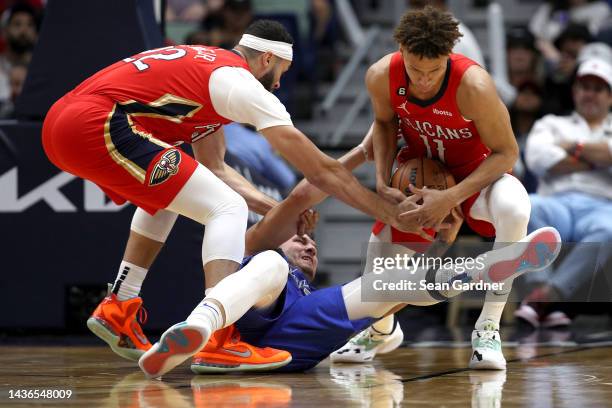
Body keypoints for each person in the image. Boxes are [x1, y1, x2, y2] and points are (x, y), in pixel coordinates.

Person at [42, 19, 422, 378]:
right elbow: (322, 172)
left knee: (169, 197)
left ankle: (120, 305)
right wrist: (388, 211)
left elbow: (217, 168)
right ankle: (219, 337)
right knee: (227, 207)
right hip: (99, 122)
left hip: (64, 122)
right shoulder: (240, 84)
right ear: (268, 59)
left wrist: (275, 210)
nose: (277, 85)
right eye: (281, 74)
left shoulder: (207, 73)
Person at [185, 137, 561, 373]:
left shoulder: (306, 295)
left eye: (314, 247)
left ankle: (488, 268)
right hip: (245, 320)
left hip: (292, 344)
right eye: (301, 241)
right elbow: (304, 194)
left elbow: (399, 294)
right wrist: (362, 153)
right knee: (270, 265)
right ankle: (202, 326)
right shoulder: (260, 247)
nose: (310, 245)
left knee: (381, 286)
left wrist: (441, 243)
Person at [338, 6, 533, 370]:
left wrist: (451, 197)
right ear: (401, 51)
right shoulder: (381, 75)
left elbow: (507, 153)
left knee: (516, 209)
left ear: (450, 56)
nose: (424, 80)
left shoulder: (474, 86)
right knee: (377, 276)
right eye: (415, 70)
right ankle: (381, 332)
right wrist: (382, 180)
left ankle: (488, 329)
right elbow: (383, 124)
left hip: (476, 178)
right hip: (420, 181)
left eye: (434, 70)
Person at [517, 57, 612, 328]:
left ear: (610, 97)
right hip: (556, 203)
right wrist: (601, 158)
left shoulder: (561, 133)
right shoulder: (551, 122)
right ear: (575, 92)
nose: (589, 93)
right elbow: (538, 159)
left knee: (610, 229)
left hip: (603, 205)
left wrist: (570, 146)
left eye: (597, 88)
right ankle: (546, 293)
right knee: (529, 206)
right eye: (584, 87)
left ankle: (544, 299)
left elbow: (555, 159)